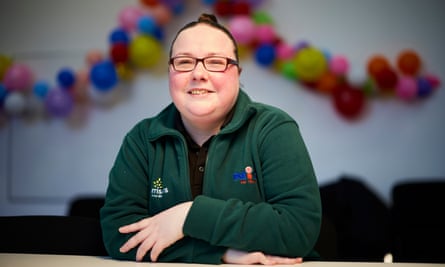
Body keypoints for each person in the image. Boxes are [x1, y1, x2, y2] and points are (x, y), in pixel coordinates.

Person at [100, 13, 321, 265]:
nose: (199, 73)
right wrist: (221, 255)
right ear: (170, 72)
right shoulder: (143, 139)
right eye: (184, 62)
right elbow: (119, 234)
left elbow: (298, 230)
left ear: (237, 73)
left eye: (215, 62)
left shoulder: (273, 128)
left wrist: (188, 216)